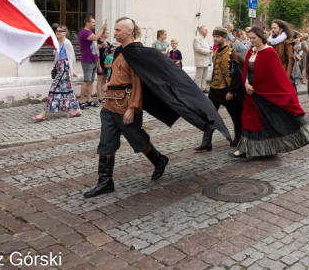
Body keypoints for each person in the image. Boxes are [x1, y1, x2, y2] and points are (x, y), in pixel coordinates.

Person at [84, 18, 231, 198]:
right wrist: (109, 84)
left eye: (118, 30)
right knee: (106, 142)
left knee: (137, 138)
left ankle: (159, 160)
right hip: (109, 105)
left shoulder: (137, 53)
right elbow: (116, 74)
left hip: (126, 105)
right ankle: (105, 182)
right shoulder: (119, 51)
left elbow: (138, 82)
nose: (114, 33)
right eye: (114, 30)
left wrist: (132, 107)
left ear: (129, 31)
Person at [230, 27, 309, 158]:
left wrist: (280, 90)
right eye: (249, 38)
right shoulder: (251, 52)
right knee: (250, 119)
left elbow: (277, 74)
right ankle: (244, 148)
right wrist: (246, 83)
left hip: (265, 92)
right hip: (251, 92)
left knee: (269, 120)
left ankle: (269, 148)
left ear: (261, 37)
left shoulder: (269, 52)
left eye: (253, 38)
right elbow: (246, 72)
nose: (251, 40)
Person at [194, 26, 245, 151]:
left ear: (223, 37)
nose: (215, 39)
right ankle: (206, 142)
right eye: (214, 36)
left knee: (236, 117)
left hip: (228, 91)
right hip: (215, 90)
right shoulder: (215, 52)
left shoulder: (231, 52)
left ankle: (238, 138)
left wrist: (231, 91)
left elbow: (237, 74)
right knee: (209, 115)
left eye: (218, 36)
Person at [33, 25, 82, 121]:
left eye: (61, 31)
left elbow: (72, 57)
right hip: (59, 67)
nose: (58, 32)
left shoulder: (67, 43)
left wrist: (72, 70)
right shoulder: (57, 42)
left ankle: (44, 113)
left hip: (64, 67)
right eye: (57, 31)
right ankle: (77, 109)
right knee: (67, 89)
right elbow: (56, 58)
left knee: (54, 89)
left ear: (65, 33)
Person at [78, 16, 107, 108]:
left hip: (94, 60)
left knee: (91, 81)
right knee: (86, 81)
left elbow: (94, 47)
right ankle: (81, 101)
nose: (95, 24)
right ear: (87, 23)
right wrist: (102, 28)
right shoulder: (84, 32)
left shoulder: (90, 32)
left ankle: (89, 100)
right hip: (87, 60)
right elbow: (95, 38)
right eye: (93, 22)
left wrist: (102, 45)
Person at [269, 20, 296, 84]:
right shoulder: (269, 43)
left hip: (282, 73)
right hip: (271, 74)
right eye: (272, 28)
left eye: (275, 28)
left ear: (281, 29)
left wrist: (287, 77)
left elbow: (290, 60)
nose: (272, 30)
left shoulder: (287, 43)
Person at [193, 26, 212, 93]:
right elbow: (197, 49)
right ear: (201, 31)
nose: (207, 32)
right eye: (205, 30)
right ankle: (197, 89)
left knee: (205, 75)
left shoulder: (205, 39)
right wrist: (208, 51)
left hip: (206, 60)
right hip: (200, 60)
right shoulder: (197, 38)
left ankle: (203, 88)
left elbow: (207, 48)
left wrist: (210, 50)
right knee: (199, 75)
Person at [97, 29, 112, 103]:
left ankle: (103, 96)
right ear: (102, 34)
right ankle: (100, 97)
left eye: (108, 33)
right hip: (101, 63)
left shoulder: (108, 43)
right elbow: (97, 55)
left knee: (104, 81)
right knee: (99, 81)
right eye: (107, 33)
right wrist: (99, 65)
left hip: (106, 64)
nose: (108, 34)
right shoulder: (98, 43)